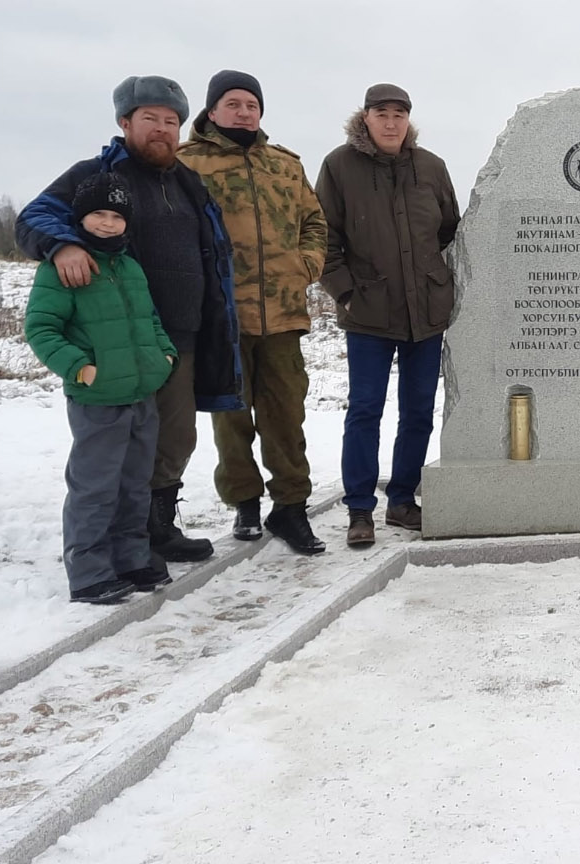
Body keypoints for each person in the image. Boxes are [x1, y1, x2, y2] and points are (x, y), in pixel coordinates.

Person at [16, 75, 242, 563]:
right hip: (115, 344)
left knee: (174, 440)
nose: (162, 130)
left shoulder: (188, 182)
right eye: (150, 119)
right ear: (125, 122)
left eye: (171, 121)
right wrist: (65, 244)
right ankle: (109, 544)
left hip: (176, 340)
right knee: (113, 450)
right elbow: (32, 218)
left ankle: (153, 530)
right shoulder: (96, 175)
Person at [178, 70, 327, 555]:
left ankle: (291, 507)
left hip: (283, 314)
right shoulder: (186, 163)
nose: (244, 112)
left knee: (286, 414)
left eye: (251, 105)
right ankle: (244, 500)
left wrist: (307, 263)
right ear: (213, 110)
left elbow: (314, 220)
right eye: (233, 104)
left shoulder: (284, 164)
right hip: (224, 317)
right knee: (232, 414)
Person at [315, 83, 460, 548]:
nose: (391, 122)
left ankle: (401, 500)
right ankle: (360, 508)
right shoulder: (339, 166)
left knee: (418, 412)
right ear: (366, 117)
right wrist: (345, 293)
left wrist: (439, 284)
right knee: (364, 410)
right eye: (382, 114)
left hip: (425, 313)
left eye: (399, 114)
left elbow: (450, 231)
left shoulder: (431, 167)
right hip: (368, 314)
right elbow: (324, 237)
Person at [24, 174, 177, 603]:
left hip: (141, 395)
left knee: (135, 484)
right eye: (98, 215)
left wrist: (163, 358)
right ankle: (89, 571)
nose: (108, 223)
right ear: (80, 218)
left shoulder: (129, 266)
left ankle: (131, 558)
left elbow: (150, 321)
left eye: (116, 216)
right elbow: (41, 328)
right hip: (97, 400)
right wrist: (80, 369)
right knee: (95, 486)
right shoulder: (63, 267)